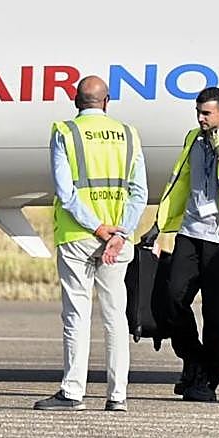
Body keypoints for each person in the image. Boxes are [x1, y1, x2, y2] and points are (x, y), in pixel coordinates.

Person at [34, 75, 147, 412]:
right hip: (117, 241)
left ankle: (73, 392)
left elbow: (65, 191)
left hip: (79, 236)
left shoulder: (65, 132)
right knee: (116, 317)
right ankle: (118, 395)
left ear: (75, 100)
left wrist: (99, 228)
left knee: (77, 314)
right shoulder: (128, 134)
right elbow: (139, 193)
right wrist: (120, 233)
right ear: (107, 101)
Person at [155, 87, 219, 403]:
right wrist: (159, 225)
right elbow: (180, 183)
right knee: (171, 298)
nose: (201, 119)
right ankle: (193, 358)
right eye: (198, 113)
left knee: (216, 314)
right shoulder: (193, 139)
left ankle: (207, 381)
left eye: (207, 113)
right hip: (191, 231)